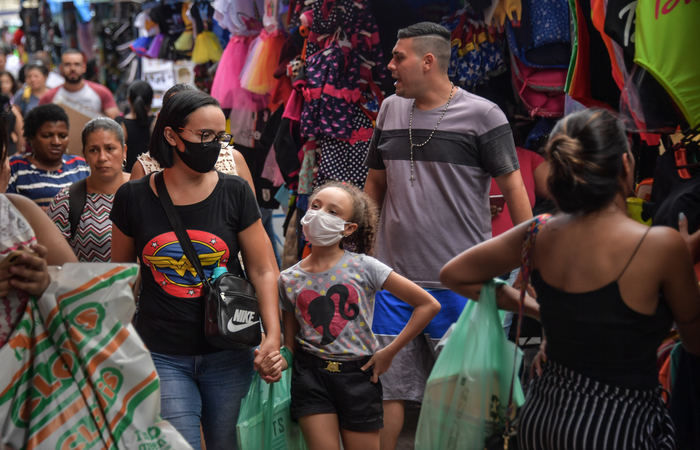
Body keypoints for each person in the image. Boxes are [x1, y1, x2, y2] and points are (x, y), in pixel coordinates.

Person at [440, 109, 700, 449]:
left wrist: (538, 311)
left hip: (542, 419)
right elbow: (694, 342)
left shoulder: (539, 231)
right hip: (619, 427)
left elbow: (455, 275)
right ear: (625, 165)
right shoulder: (662, 246)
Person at [362, 22, 532, 448]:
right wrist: (362, 253)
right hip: (394, 281)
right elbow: (374, 186)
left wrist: (531, 256)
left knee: (462, 398)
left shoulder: (484, 114)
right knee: (388, 388)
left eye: (398, 57)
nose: (390, 65)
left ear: (428, 61)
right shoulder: (389, 109)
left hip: (463, 284)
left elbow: (513, 189)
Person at [110, 90, 281, 449]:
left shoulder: (235, 192)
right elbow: (121, 279)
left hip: (230, 352)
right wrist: (117, 346)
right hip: (161, 353)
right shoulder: (133, 197)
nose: (216, 146)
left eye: (221, 137)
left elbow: (264, 269)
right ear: (172, 135)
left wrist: (273, 335)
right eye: (204, 136)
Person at [270, 182, 440, 450]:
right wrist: (277, 361)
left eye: (333, 211)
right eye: (315, 206)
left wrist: (389, 352)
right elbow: (289, 345)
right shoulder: (287, 280)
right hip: (310, 377)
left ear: (348, 228)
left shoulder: (366, 267)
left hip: (359, 376)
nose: (319, 213)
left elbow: (428, 304)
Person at [0, 108, 78, 345]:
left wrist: (45, 282)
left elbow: (75, 287)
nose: (7, 167)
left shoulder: (19, 211)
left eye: (62, 135)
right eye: (3, 158)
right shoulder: (18, 187)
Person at [47, 118, 129, 262]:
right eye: (93, 150)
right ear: (84, 155)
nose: (102, 157)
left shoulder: (147, 191)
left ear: (124, 151)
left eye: (110, 148)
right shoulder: (66, 201)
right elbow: (53, 260)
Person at [6, 104, 89, 208]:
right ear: (31, 138)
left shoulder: (81, 165)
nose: (56, 142)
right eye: (47, 136)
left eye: (63, 136)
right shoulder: (14, 167)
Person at [38, 49, 119, 119]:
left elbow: (115, 121)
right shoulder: (49, 97)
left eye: (77, 64)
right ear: (61, 68)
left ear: (84, 68)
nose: (72, 68)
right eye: (67, 65)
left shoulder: (102, 92)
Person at [116, 80, 155, 172]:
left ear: (129, 100)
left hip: (128, 178)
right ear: (151, 100)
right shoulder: (157, 122)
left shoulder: (121, 124)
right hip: (153, 177)